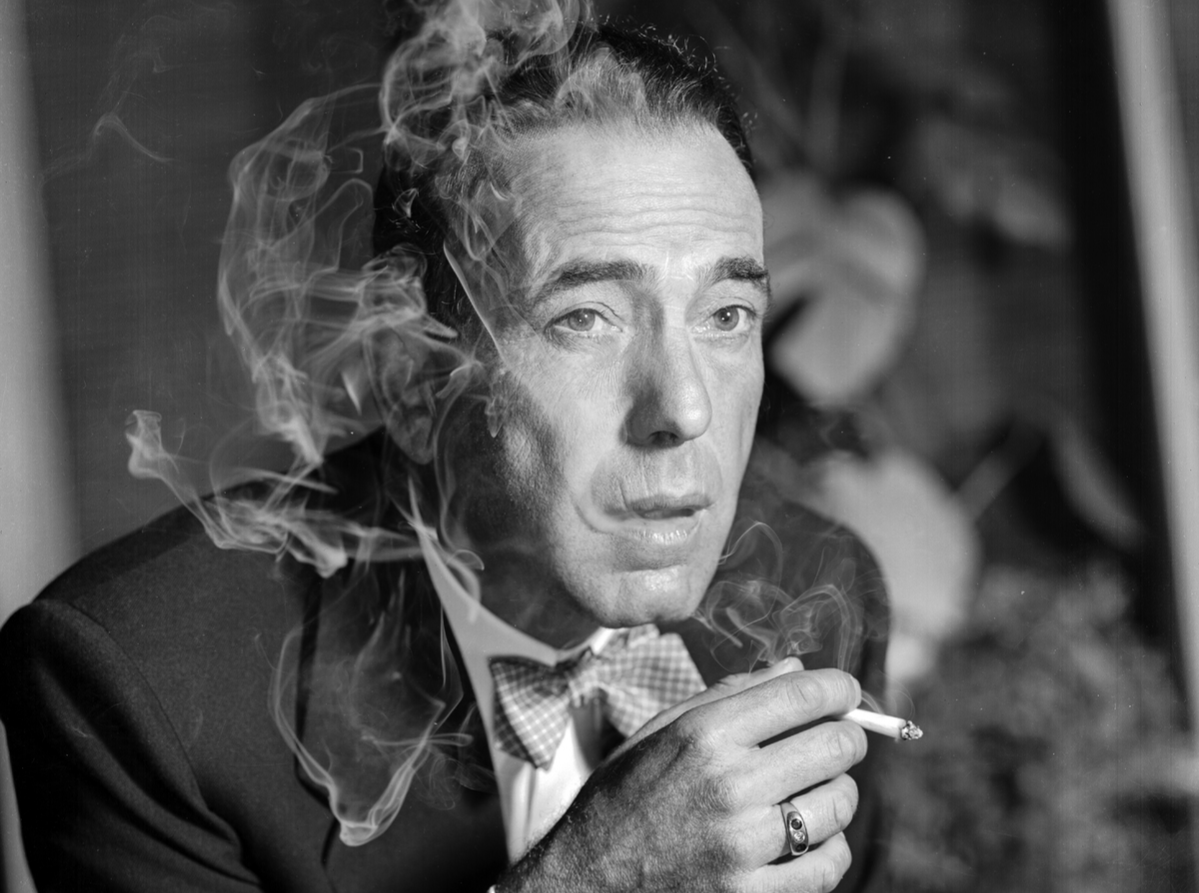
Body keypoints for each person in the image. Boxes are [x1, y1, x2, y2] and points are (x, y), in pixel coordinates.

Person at [0, 12, 890, 893]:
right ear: (413, 382)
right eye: (583, 317)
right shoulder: (140, 682)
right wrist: (595, 877)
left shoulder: (826, 584)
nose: (685, 407)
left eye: (726, 313)